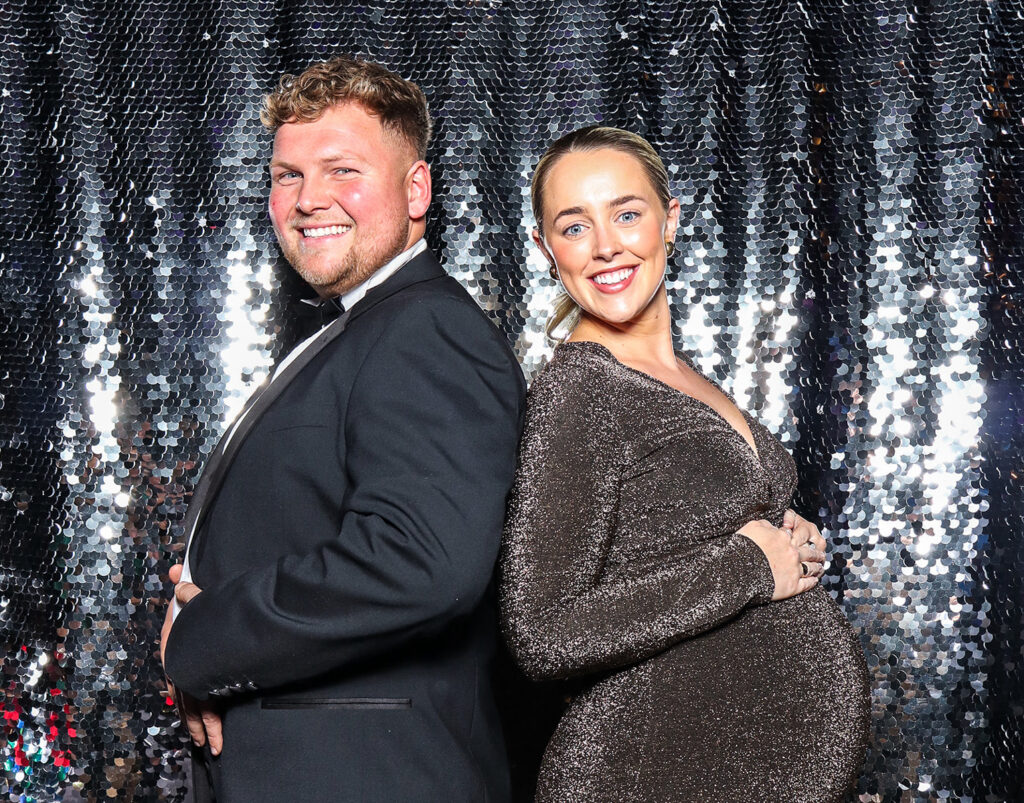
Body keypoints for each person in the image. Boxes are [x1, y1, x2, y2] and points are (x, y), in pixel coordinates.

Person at [159, 56, 525, 802]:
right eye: (287, 175)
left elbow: (418, 560)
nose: (308, 198)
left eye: (342, 169)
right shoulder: (360, 329)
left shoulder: (424, 329)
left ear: (416, 189)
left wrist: (205, 639)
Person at [500, 126, 870, 802]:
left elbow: (676, 528)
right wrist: (749, 565)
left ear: (671, 220)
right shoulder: (582, 389)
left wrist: (790, 538)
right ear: (545, 248)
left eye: (627, 213)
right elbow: (544, 630)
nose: (607, 244)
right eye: (574, 226)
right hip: (642, 771)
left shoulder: (678, 375)